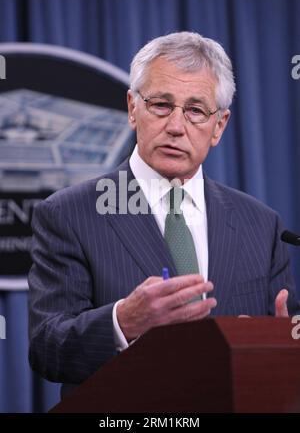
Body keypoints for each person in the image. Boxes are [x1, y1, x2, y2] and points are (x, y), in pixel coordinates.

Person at [28, 32, 300, 396]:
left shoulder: (263, 226)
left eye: (195, 110)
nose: (176, 126)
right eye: (160, 104)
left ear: (219, 126)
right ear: (132, 108)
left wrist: (284, 348)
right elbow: (47, 349)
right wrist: (121, 323)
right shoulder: (69, 214)